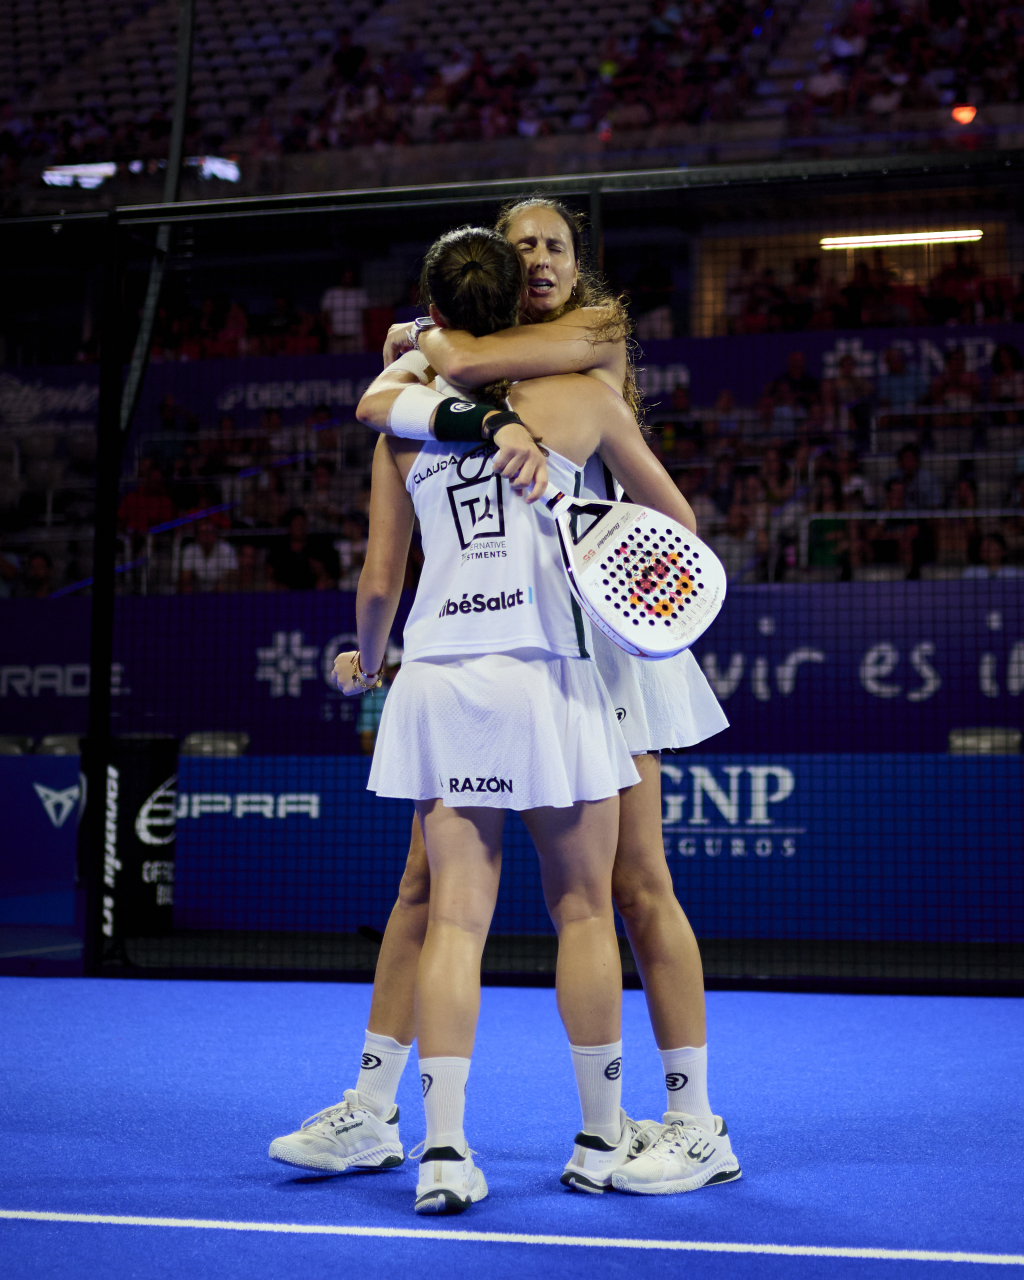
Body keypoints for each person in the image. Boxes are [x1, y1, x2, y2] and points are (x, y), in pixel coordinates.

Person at [270, 222, 737, 1204]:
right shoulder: (452, 379)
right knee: (426, 890)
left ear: (575, 262)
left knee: (630, 885)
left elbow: (403, 395)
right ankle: (380, 1107)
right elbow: (394, 392)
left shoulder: (589, 344)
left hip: (595, 645)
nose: (537, 254)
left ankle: (691, 1120)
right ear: (502, 275)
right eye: (519, 242)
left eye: (554, 240)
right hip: (523, 653)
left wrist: (430, 351)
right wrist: (476, 408)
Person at [178, 519, 238, 593]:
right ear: (197, 537)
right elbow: (185, 577)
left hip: (220, 592)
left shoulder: (227, 549)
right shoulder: (189, 550)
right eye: (203, 533)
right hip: (196, 593)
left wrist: (220, 585)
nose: (207, 536)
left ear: (215, 535)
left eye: (210, 533)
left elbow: (231, 574)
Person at [321, 269, 368, 353]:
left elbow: (365, 315)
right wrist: (328, 332)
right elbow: (325, 314)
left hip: (354, 336)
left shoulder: (359, 294)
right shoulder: (331, 293)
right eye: (345, 277)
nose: (347, 280)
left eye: (350, 277)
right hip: (336, 337)